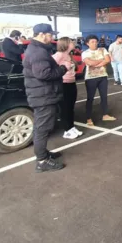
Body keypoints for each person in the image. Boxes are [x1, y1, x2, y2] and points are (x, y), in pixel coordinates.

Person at [23, 23, 71, 172]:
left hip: (42, 94)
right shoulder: (38, 52)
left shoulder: (37, 49)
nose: (52, 37)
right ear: (42, 35)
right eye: (50, 35)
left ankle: (43, 154)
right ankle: (42, 161)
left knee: (42, 127)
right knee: (42, 128)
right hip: (43, 95)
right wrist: (63, 68)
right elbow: (44, 74)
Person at [52, 37, 83, 140]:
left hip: (71, 83)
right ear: (65, 44)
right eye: (71, 42)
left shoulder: (69, 55)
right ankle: (66, 130)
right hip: (63, 84)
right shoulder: (59, 55)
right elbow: (51, 68)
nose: (73, 43)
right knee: (65, 108)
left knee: (71, 107)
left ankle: (71, 127)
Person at [82, 35, 115, 126]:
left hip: (103, 76)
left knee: (104, 97)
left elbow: (108, 60)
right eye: (92, 42)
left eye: (96, 41)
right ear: (87, 43)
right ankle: (88, 118)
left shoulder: (103, 50)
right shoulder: (85, 53)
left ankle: (105, 115)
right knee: (90, 98)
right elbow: (89, 63)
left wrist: (95, 64)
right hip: (90, 78)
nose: (95, 43)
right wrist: (101, 60)